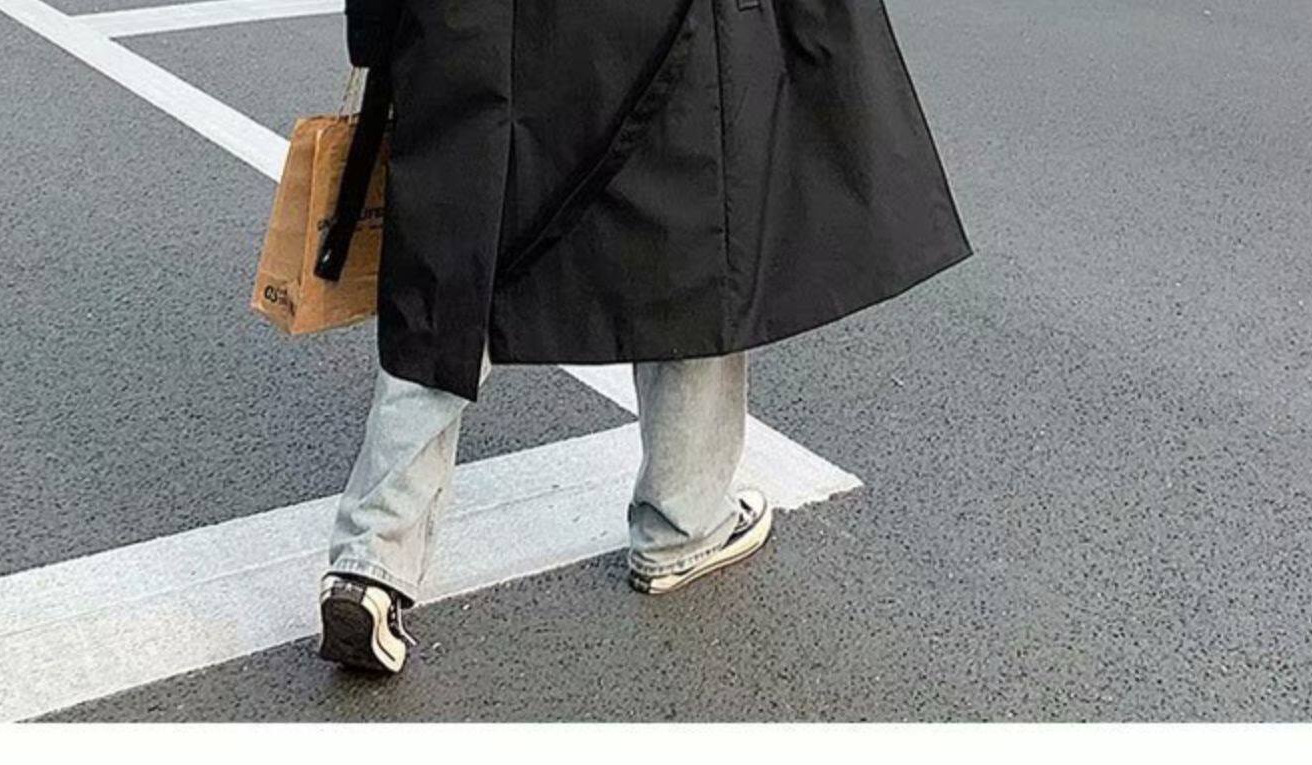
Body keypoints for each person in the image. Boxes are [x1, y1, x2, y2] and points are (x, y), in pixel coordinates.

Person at [318, 0, 973, 675]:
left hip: (471, 27)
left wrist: (375, 35)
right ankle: (682, 523)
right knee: (685, 236)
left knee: (454, 276)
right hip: (645, 23)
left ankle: (371, 558)